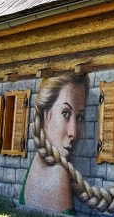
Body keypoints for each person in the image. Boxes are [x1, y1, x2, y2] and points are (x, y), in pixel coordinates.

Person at [21, 75, 88, 215]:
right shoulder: (58, 175)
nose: (74, 133)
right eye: (65, 114)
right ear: (46, 116)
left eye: (79, 117)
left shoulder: (35, 164)